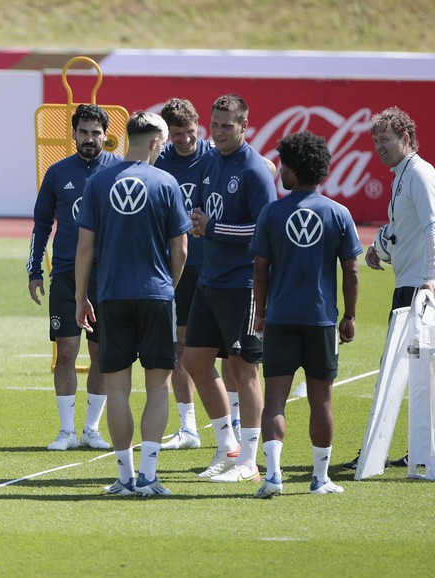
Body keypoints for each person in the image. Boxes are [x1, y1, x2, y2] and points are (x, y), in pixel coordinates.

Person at [75, 111, 191, 496]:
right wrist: (168, 287)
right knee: (159, 386)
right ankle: (150, 476)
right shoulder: (167, 182)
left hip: (112, 296)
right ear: (157, 141)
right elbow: (181, 248)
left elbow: (85, 246)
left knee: (117, 389)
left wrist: (80, 297)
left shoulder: (98, 181)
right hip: (156, 294)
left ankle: (124, 477)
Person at [250, 130, 362, 498]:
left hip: (281, 318)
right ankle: (319, 478)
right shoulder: (339, 213)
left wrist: (260, 314)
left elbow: (260, 270)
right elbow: (352, 270)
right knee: (322, 399)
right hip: (321, 321)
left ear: (294, 171)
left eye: (284, 164)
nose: (280, 170)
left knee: (275, 399)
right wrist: (349, 316)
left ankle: (273, 477)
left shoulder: (272, 212)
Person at [342, 106, 435, 471]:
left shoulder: (419, 173)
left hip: (420, 290)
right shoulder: (402, 174)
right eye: (375, 140)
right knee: (415, 371)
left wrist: (433, 278)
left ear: (406, 138)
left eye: (385, 139)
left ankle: (381, 451)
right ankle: (422, 449)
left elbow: (434, 226)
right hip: (409, 284)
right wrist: (378, 249)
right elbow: (402, 227)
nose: (378, 146)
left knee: (400, 370)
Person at [185, 93, 276, 483]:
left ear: (244, 126)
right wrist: (196, 220)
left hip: (243, 284)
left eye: (227, 125)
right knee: (194, 361)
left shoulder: (255, 170)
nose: (218, 132)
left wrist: (214, 227)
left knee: (243, 369)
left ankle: (250, 462)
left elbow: (264, 229)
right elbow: (207, 213)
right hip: (210, 278)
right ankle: (228, 446)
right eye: (215, 124)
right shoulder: (209, 161)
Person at [27, 104, 121, 451]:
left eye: (96, 132)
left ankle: (91, 429)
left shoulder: (119, 170)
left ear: (106, 135)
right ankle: (66, 430)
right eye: (83, 132)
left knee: (101, 353)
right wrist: (35, 270)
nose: (89, 139)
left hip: (107, 276)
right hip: (65, 272)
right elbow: (40, 224)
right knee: (66, 351)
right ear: (74, 134)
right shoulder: (57, 173)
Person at [153, 98, 211, 450]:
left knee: (231, 353)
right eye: (178, 135)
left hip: (215, 266)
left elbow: (262, 165)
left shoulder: (213, 154)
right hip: (178, 267)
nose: (186, 140)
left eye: (190, 132)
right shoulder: (160, 161)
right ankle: (188, 427)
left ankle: (234, 424)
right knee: (180, 347)